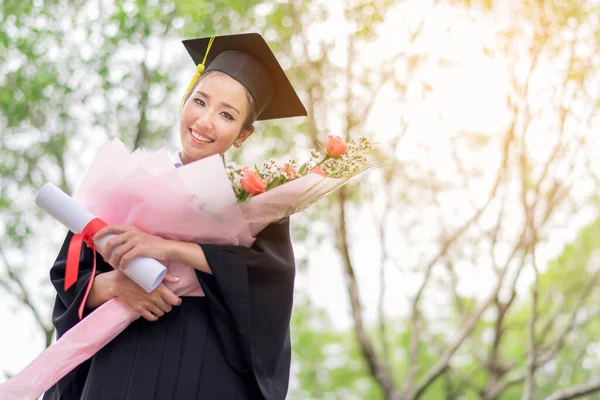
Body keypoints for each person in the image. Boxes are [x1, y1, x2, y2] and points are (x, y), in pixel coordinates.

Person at [43, 32, 307, 400]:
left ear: (243, 135)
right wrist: (116, 286)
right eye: (199, 101)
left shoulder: (257, 201)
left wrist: (169, 247)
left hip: (207, 372)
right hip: (121, 366)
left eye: (227, 114)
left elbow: (267, 284)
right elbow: (69, 275)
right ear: (185, 101)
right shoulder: (126, 182)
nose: (205, 121)